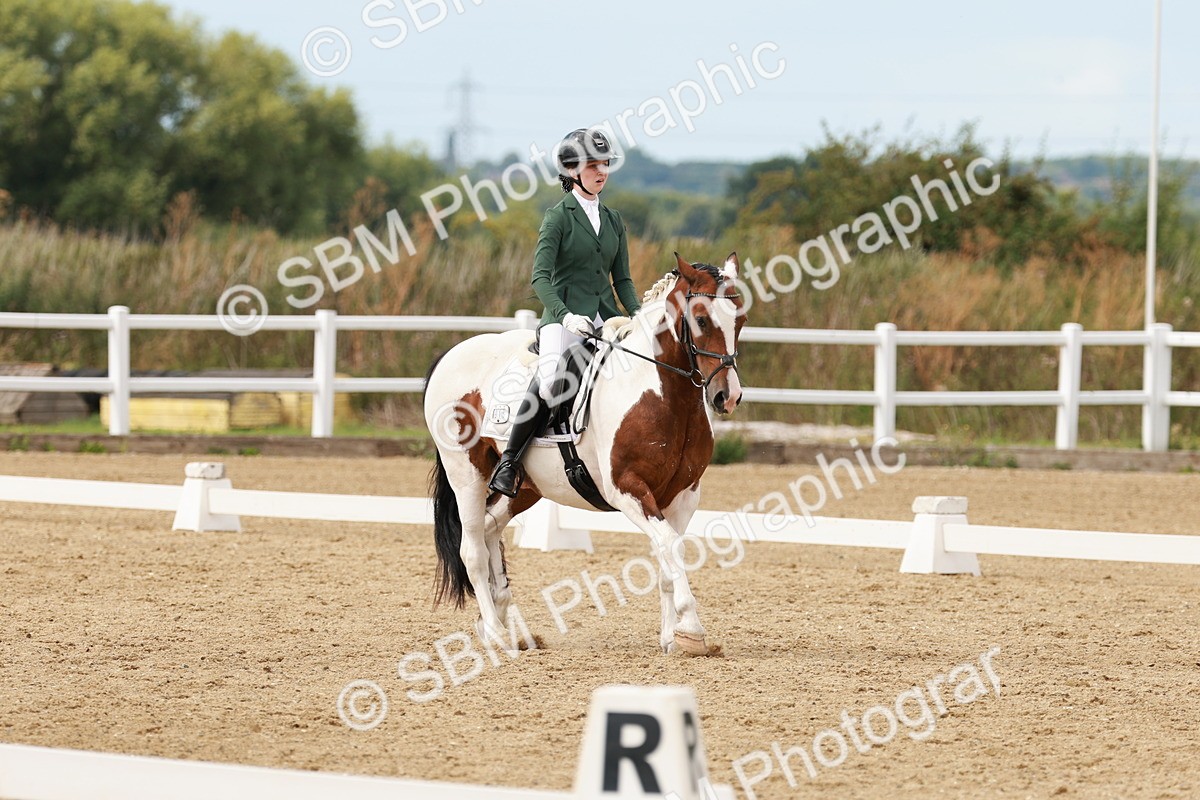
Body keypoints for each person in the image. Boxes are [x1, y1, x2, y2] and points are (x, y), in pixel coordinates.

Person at [488, 128, 641, 497]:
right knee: (553, 379)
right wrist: (564, 314)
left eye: (605, 163)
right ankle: (510, 461)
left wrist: (639, 315)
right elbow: (539, 278)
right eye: (592, 164)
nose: (601, 170)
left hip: (606, 317)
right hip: (564, 319)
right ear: (572, 170)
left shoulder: (614, 219)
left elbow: (622, 279)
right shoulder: (558, 217)